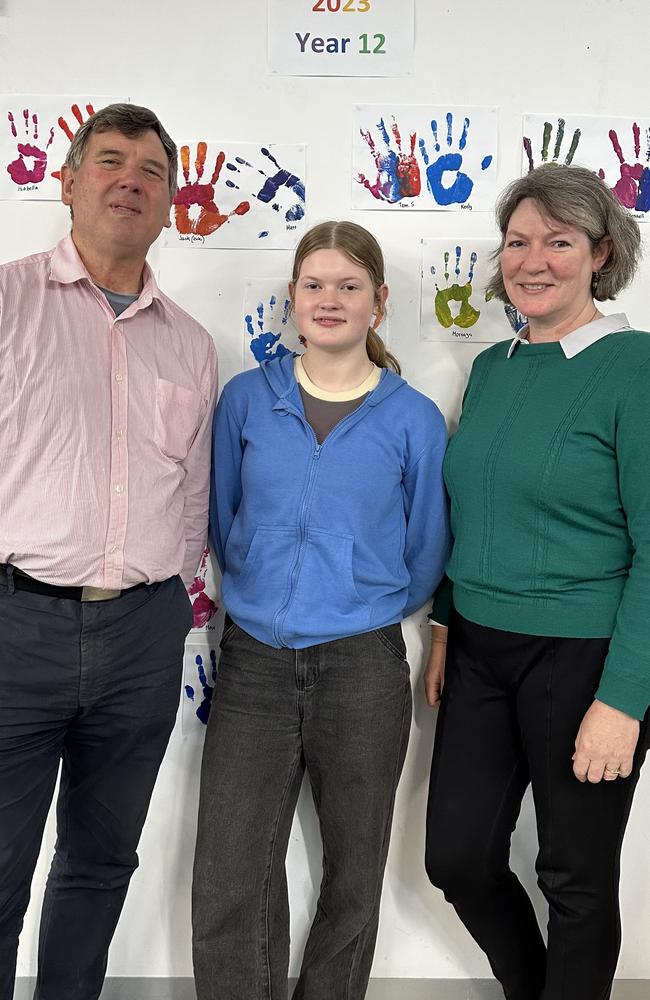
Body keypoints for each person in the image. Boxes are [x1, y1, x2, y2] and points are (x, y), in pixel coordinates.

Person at [193, 220, 450, 999]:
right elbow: (221, 518)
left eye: (349, 286)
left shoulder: (413, 419)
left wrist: (352, 601)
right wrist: (268, 597)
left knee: (355, 870)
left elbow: (426, 550)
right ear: (292, 300)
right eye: (314, 285)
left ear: (378, 301)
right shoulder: (246, 400)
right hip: (254, 665)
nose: (330, 299)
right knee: (230, 869)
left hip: (362, 666)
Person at [0, 103, 217, 1000]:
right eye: (110, 160)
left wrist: (173, 602)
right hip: (18, 626)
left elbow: (194, 495)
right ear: (69, 181)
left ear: (170, 200)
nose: (131, 178)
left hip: (142, 635)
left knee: (101, 861)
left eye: (152, 169)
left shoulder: (191, 342)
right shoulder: (8, 301)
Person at [424, 164, 649, 1000]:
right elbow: (472, 512)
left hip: (587, 655)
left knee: (575, 879)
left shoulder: (635, 367)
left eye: (559, 240)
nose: (534, 259)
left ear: (600, 253)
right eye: (518, 241)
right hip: (482, 647)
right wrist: (447, 624)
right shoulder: (494, 368)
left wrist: (624, 702)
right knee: (456, 855)